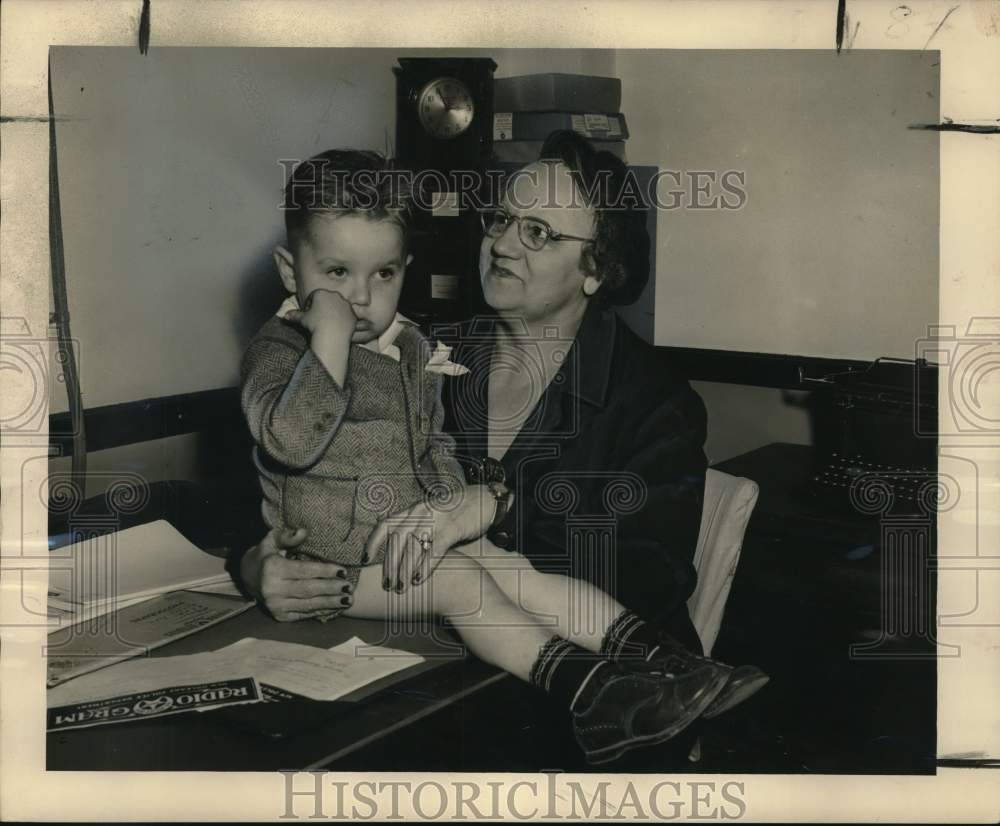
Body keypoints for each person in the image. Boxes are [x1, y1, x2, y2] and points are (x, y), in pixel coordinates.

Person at [236, 138, 766, 765]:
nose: (504, 243)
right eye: (503, 218)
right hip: (438, 685)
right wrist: (257, 567)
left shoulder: (654, 401)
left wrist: (492, 506)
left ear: (597, 268)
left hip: (607, 725)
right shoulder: (420, 352)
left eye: (539, 232)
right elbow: (287, 477)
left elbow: (646, 574)